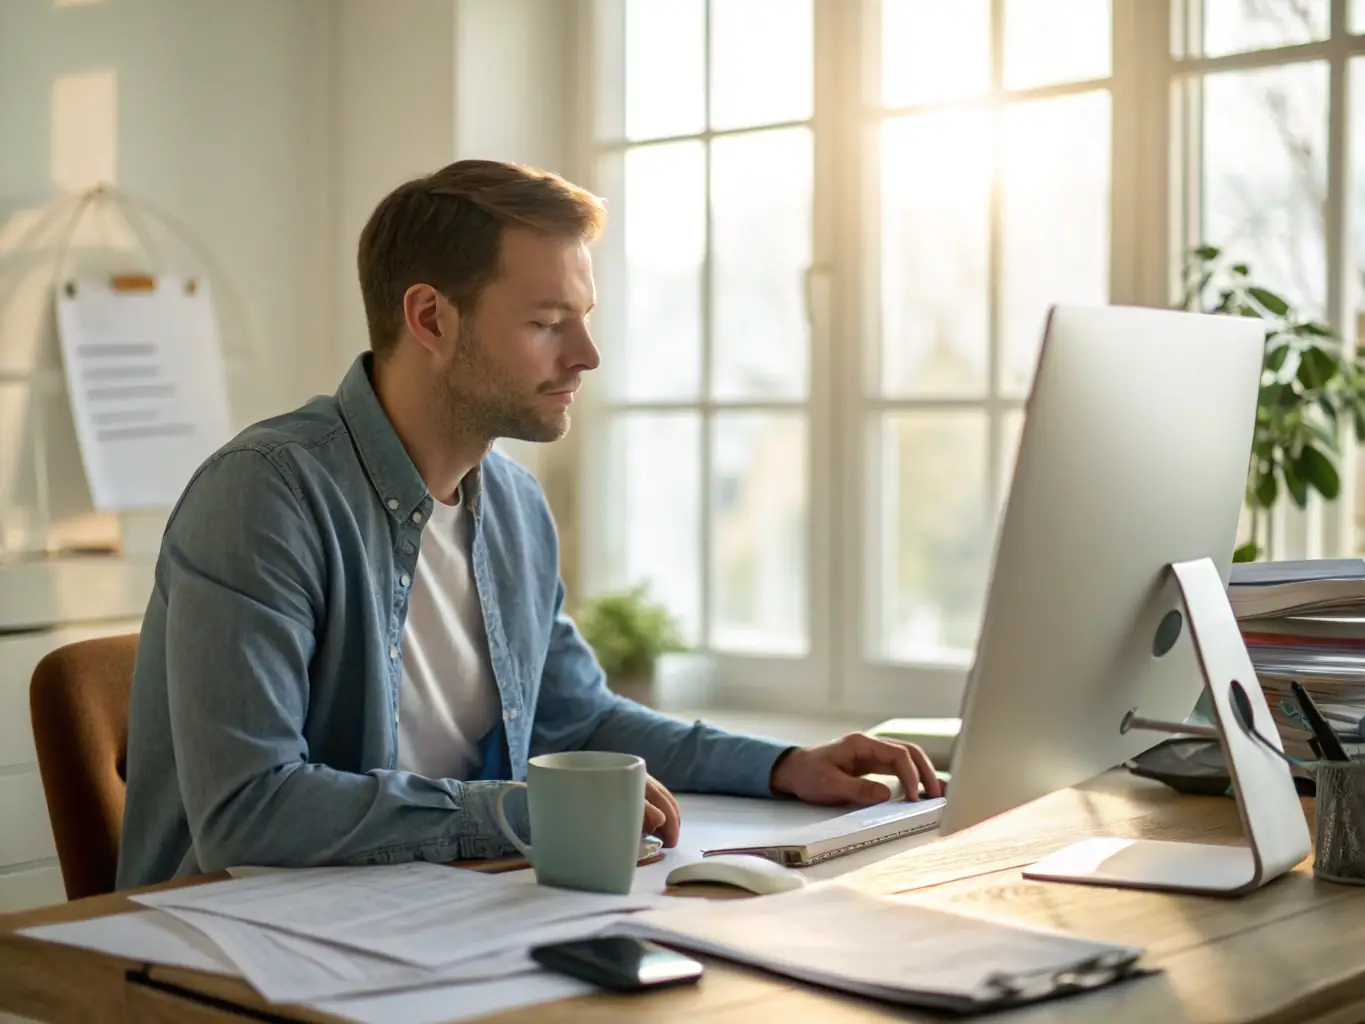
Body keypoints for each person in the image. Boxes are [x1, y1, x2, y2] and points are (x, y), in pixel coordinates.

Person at [116, 159, 941, 889]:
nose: (585, 354)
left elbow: (576, 718)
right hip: (225, 944)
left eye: (582, 318)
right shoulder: (264, 496)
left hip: (423, 915)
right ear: (431, 319)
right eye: (547, 322)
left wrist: (785, 766)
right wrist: (518, 812)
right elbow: (249, 810)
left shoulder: (510, 504)